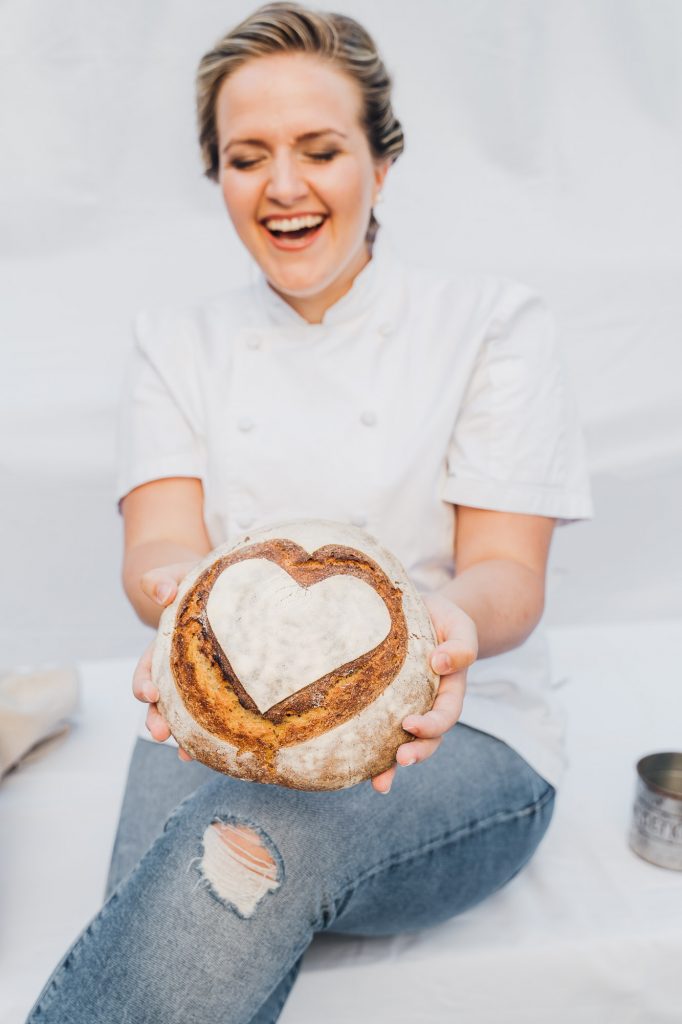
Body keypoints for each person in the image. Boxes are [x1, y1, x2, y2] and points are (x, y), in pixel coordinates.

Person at [26, 3, 593, 1021]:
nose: (283, 186)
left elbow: (507, 573)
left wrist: (441, 636)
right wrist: (175, 598)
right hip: (218, 711)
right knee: (162, 908)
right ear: (218, 177)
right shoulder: (176, 343)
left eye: (320, 150)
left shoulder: (491, 325)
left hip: (456, 732)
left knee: (238, 852)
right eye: (248, 158)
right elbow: (161, 543)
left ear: (382, 160)